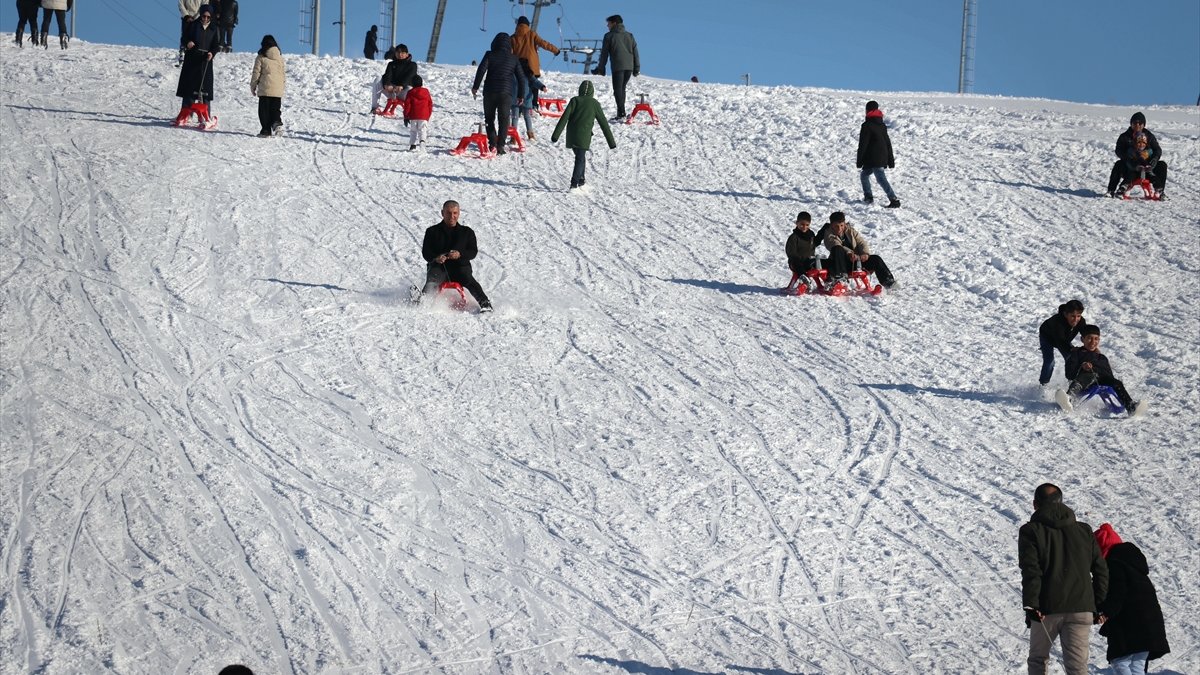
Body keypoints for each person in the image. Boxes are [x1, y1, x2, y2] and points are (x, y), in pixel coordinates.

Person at [1018, 483, 1108, 675]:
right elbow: (1101, 569)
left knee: (1038, 662)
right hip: (1081, 607)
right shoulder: (1084, 530)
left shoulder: (1031, 531)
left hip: (1046, 609)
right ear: (1061, 501)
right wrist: (1097, 604)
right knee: (1077, 669)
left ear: (1035, 504)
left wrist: (1031, 605)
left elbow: (1031, 570)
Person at [1093, 524, 1171, 675]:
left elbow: (1117, 593)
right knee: (1136, 666)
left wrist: (1105, 612)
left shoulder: (1114, 564)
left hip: (1130, 626)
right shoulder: (1132, 564)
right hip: (1148, 624)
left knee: (1120, 662)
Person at [420, 201, 492, 312]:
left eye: (455, 213)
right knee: (432, 280)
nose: (452, 216)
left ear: (459, 213)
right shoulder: (432, 231)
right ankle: (421, 302)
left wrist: (460, 254)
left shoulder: (467, 232)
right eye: (448, 213)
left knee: (469, 279)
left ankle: (485, 304)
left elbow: (473, 252)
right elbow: (426, 253)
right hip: (439, 267)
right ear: (442, 213)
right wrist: (436, 258)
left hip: (460, 268)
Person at [1058, 325, 1143, 416]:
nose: (1093, 342)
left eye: (1096, 339)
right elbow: (1069, 374)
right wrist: (1082, 366)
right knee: (1088, 376)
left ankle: (1131, 407)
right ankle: (1069, 398)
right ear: (1082, 339)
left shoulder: (1102, 358)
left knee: (1117, 383)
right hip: (1085, 381)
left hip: (1102, 380)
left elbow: (1110, 376)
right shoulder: (1076, 354)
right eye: (1089, 338)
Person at [550, 80, 617, 190]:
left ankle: (581, 180)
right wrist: (611, 143)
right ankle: (574, 183)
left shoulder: (574, 101)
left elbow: (564, 118)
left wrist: (555, 135)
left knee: (580, 156)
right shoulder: (594, 104)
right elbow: (604, 124)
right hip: (584, 136)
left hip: (572, 135)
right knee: (580, 158)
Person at [471, 32, 526, 156]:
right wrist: (521, 95)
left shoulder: (490, 54)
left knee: (489, 119)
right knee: (504, 119)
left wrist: (475, 87)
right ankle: (500, 146)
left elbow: (481, 70)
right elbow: (521, 78)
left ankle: (492, 144)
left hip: (490, 92)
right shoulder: (514, 58)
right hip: (506, 93)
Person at [173, 4, 220, 129]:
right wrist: (188, 42)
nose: (205, 19)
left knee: (205, 89)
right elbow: (184, 38)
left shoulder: (214, 29)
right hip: (192, 59)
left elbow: (216, 45)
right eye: (203, 16)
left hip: (206, 61)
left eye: (208, 17)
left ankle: (206, 116)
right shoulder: (193, 25)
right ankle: (186, 114)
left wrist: (212, 53)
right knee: (190, 87)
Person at [821, 211, 895, 289]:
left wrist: (865, 254)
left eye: (842, 225)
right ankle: (841, 278)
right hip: (840, 264)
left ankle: (889, 282)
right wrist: (849, 253)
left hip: (856, 262)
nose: (840, 229)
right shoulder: (829, 234)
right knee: (837, 249)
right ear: (831, 225)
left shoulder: (850, 230)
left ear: (844, 224)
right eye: (836, 226)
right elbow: (836, 245)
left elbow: (861, 242)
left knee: (876, 259)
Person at [1107, 112, 1168, 198]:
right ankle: (1111, 190)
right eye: (1135, 123)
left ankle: (1160, 192)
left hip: (1147, 168)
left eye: (1140, 123)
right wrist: (1128, 158)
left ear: (1144, 125)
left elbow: (1157, 149)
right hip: (1130, 168)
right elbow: (1118, 150)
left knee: (1162, 165)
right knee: (1118, 164)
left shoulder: (1149, 136)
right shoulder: (1124, 136)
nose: (1137, 125)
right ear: (1131, 124)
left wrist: (1155, 159)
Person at [591, 14, 639, 120]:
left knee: (618, 89)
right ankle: (620, 112)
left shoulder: (609, 36)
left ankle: (621, 114)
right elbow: (635, 52)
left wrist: (601, 69)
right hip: (629, 67)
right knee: (622, 89)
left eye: (609, 23)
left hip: (618, 66)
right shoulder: (629, 35)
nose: (607, 26)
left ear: (614, 23)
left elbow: (604, 54)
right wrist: (636, 68)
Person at [858, 100, 900, 208]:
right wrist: (890, 160)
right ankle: (868, 197)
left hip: (874, 158)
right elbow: (887, 143)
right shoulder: (881, 125)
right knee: (864, 175)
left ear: (867, 111)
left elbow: (863, 144)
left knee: (881, 178)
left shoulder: (867, 125)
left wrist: (859, 160)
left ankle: (893, 199)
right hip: (879, 157)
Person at [1038, 300, 1087, 386]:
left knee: (1071, 359)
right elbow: (1060, 342)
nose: (1076, 319)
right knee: (1050, 361)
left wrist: (1090, 348)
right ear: (1065, 314)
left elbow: (1086, 335)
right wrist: (1072, 349)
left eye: (1078, 316)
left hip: (1063, 339)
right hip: (1047, 337)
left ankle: (1072, 384)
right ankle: (1043, 384)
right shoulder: (1058, 323)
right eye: (1072, 316)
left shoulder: (1081, 322)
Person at [250, 34, 285, 137]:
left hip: (265, 88)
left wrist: (253, 86)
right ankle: (277, 123)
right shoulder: (279, 57)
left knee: (264, 110)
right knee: (275, 109)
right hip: (277, 89)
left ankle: (266, 131)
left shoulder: (261, 57)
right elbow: (283, 73)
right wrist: (282, 86)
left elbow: (256, 73)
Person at [510, 15, 560, 79]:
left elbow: (509, 53)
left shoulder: (512, 38)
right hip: (532, 68)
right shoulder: (532, 34)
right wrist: (555, 50)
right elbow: (543, 44)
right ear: (527, 25)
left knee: (521, 88)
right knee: (533, 86)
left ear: (517, 25)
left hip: (518, 69)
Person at [511, 59, 544, 141]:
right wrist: (542, 87)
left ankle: (513, 136)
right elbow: (535, 81)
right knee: (527, 116)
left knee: (515, 117)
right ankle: (530, 134)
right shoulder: (528, 74)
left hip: (516, 99)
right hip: (526, 99)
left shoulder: (513, 74)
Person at [402, 74, 432, 150]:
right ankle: (422, 141)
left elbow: (407, 105)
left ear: (412, 84)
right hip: (424, 115)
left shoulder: (410, 92)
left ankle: (413, 145)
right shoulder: (426, 91)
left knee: (413, 130)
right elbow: (430, 104)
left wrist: (406, 116)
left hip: (413, 116)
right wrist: (428, 115)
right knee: (423, 129)